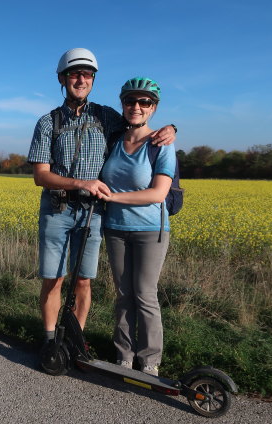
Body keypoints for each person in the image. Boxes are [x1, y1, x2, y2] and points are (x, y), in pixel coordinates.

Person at [27, 48, 176, 348]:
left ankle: (75, 342)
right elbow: (40, 175)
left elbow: (140, 124)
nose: (80, 80)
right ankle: (50, 339)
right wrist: (80, 182)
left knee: (83, 280)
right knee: (53, 279)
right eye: (74, 74)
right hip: (57, 209)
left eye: (87, 75)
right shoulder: (47, 123)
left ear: (93, 80)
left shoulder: (106, 116)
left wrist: (171, 129)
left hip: (94, 213)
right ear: (62, 78)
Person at [97, 77, 176, 376]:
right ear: (123, 104)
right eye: (131, 101)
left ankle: (150, 361)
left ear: (153, 108)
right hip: (115, 227)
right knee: (122, 293)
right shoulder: (114, 139)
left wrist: (113, 196)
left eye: (145, 102)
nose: (137, 107)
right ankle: (123, 355)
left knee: (144, 293)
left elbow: (158, 193)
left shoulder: (162, 143)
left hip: (150, 230)